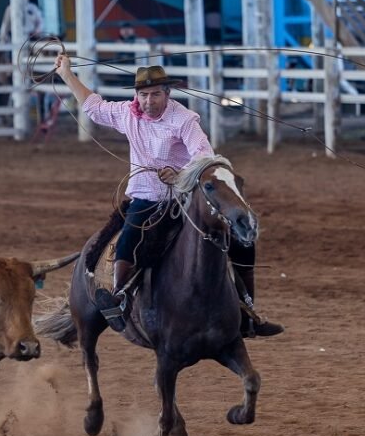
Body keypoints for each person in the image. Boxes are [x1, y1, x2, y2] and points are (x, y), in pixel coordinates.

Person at [53, 53, 284, 338]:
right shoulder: (128, 113)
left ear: (167, 94)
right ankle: (120, 298)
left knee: (240, 239)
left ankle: (248, 310)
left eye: (155, 94)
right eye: (143, 95)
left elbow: (204, 156)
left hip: (184, 200)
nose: (148, 101)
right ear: (136, 95)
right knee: (127, 242)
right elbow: (93, 106)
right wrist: (66, 74)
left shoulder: (183, 120)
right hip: (146, 197)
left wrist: (179, 175)